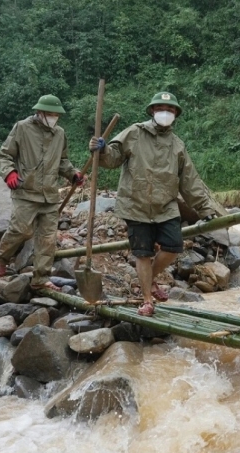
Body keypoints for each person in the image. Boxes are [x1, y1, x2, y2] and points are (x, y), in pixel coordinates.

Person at [90, 91, 224, 317]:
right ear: (152, 111)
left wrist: (205, 209)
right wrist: (102, 149)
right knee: (142, 253)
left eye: (170, 110)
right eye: (161, 109)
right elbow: (112, 159)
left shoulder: (177, 145)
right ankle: (147, 299)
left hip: (166, 206)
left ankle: (148, 280)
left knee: (173, 247)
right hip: (136, 204)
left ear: (175, 115)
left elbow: (189, 181)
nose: (165, 113)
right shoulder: (134, 133)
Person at [0, 95, 85, 291]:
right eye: (49, 114)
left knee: (48, 238)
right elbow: (4, 155)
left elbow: (63, 162)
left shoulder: (59, 134)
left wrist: (73, 174)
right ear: (39, 112)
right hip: (26, 190)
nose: (53, 117)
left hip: (50, 194)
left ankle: (41, 278)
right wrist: (10, 172)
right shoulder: (22, 128)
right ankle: (1, 257)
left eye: (56, 114)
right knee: (20, 229)